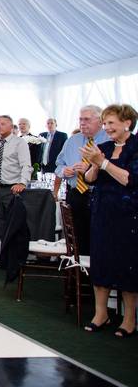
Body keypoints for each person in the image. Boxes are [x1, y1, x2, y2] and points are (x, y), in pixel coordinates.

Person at [82, 104, 138, 337]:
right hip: (102, 214)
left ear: (127, 123)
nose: (107, 128)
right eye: (105, 123)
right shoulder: (102, 147)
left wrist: (103, 163)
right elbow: (89, 179)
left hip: (128, 217)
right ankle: (100, 313)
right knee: (102, 262)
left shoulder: (136, 147)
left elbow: (130, 179)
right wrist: (94, 165)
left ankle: (128, 320)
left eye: (111, 123)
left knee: (127, 265)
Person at [54, 105, 109, 259]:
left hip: (99, 194)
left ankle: (98, 277)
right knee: (78, 236)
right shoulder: (72, 141)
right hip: (76, 194)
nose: (82, 123)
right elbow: (58, 165)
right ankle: (80, 275)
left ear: (100, 121)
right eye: (80, 119)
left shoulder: (109, 139)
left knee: (100, 237)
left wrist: (91, 168)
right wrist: (64, 171)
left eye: (87, 119)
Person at [0, 115, 32, 240]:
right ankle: (4, 254)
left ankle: (15, 256)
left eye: (3, 124)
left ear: (11, 127)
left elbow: (26, 165)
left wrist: (22, 183)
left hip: (13, 188)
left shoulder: (19, 143)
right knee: (1, 223)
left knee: (14, 224)